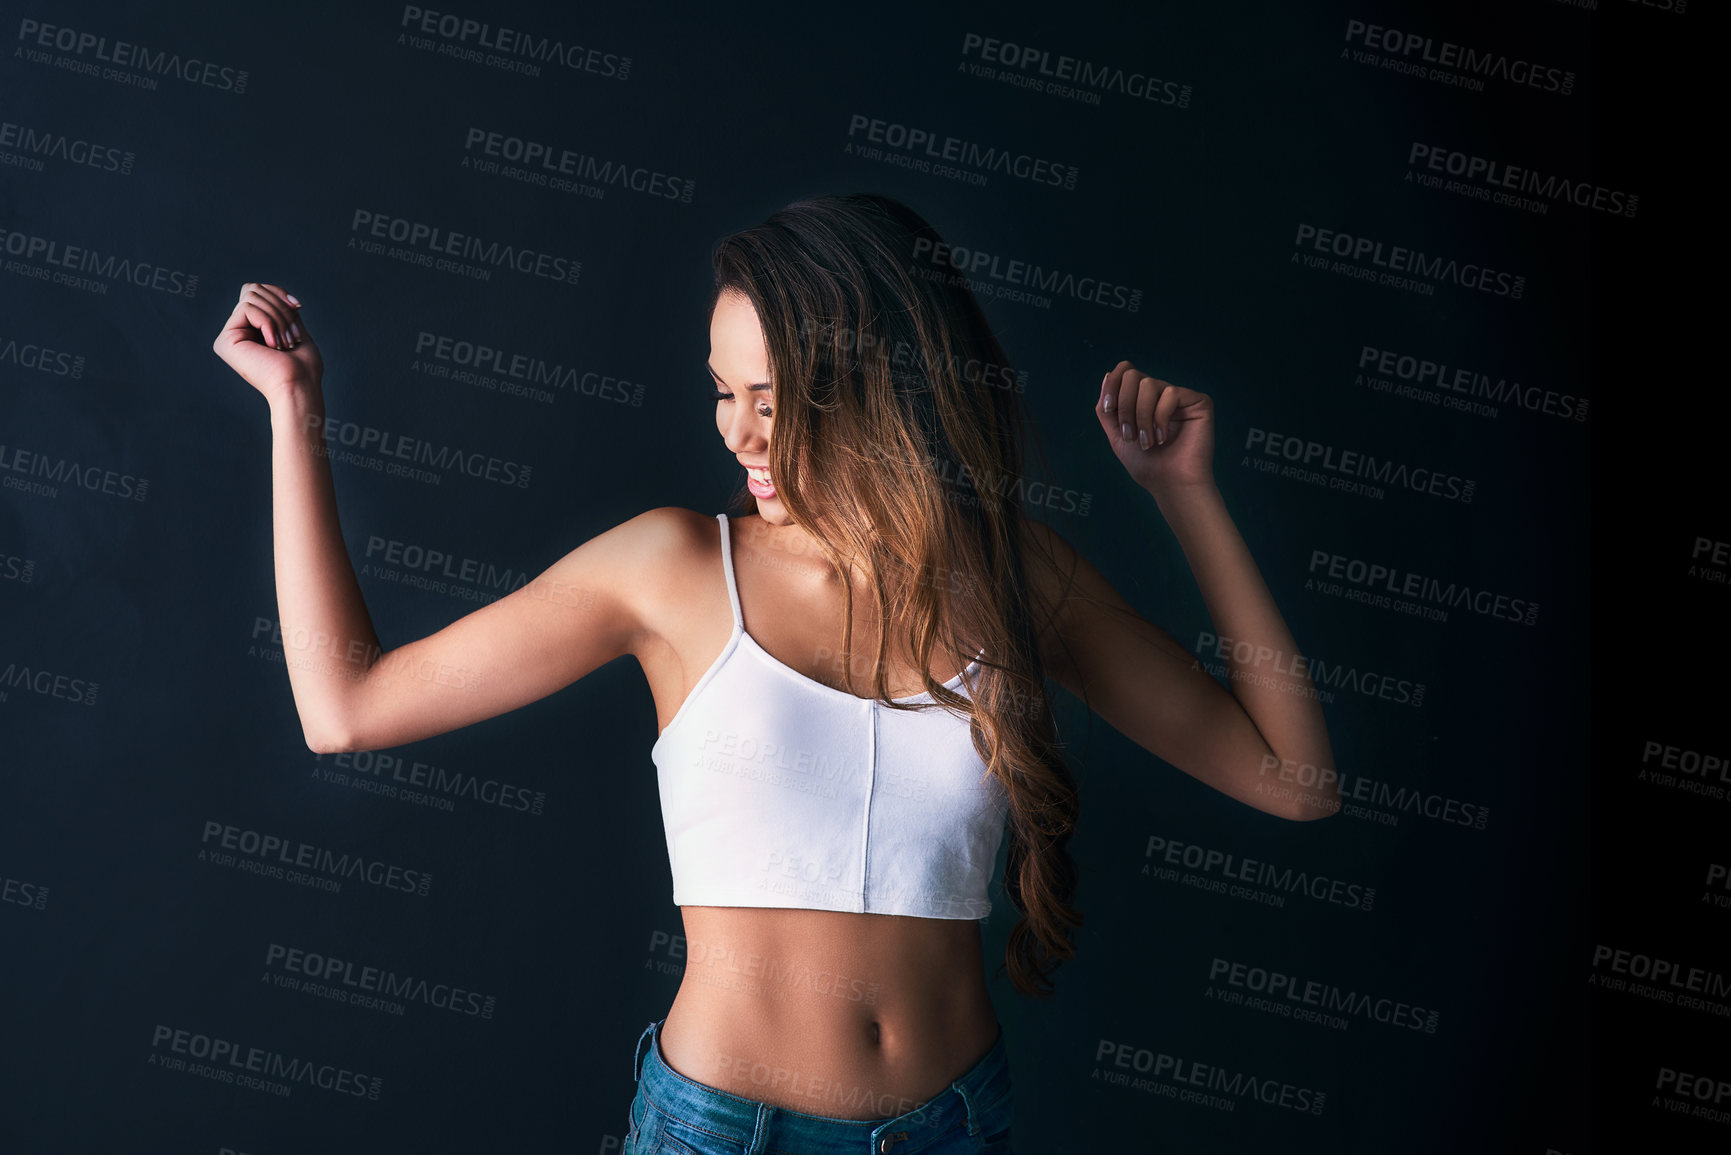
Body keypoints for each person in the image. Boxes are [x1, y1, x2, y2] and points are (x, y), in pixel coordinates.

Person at [212, 192, 1338, 1154]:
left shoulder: (1013, 578)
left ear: (881, 386)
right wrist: (294, 416)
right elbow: (344, 707)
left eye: (775, 397)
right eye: (723, 391)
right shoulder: (671, 567)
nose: (741, 434)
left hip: (950, 1126)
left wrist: (1183, 493)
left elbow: (1293, 780)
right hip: (718, 1132)